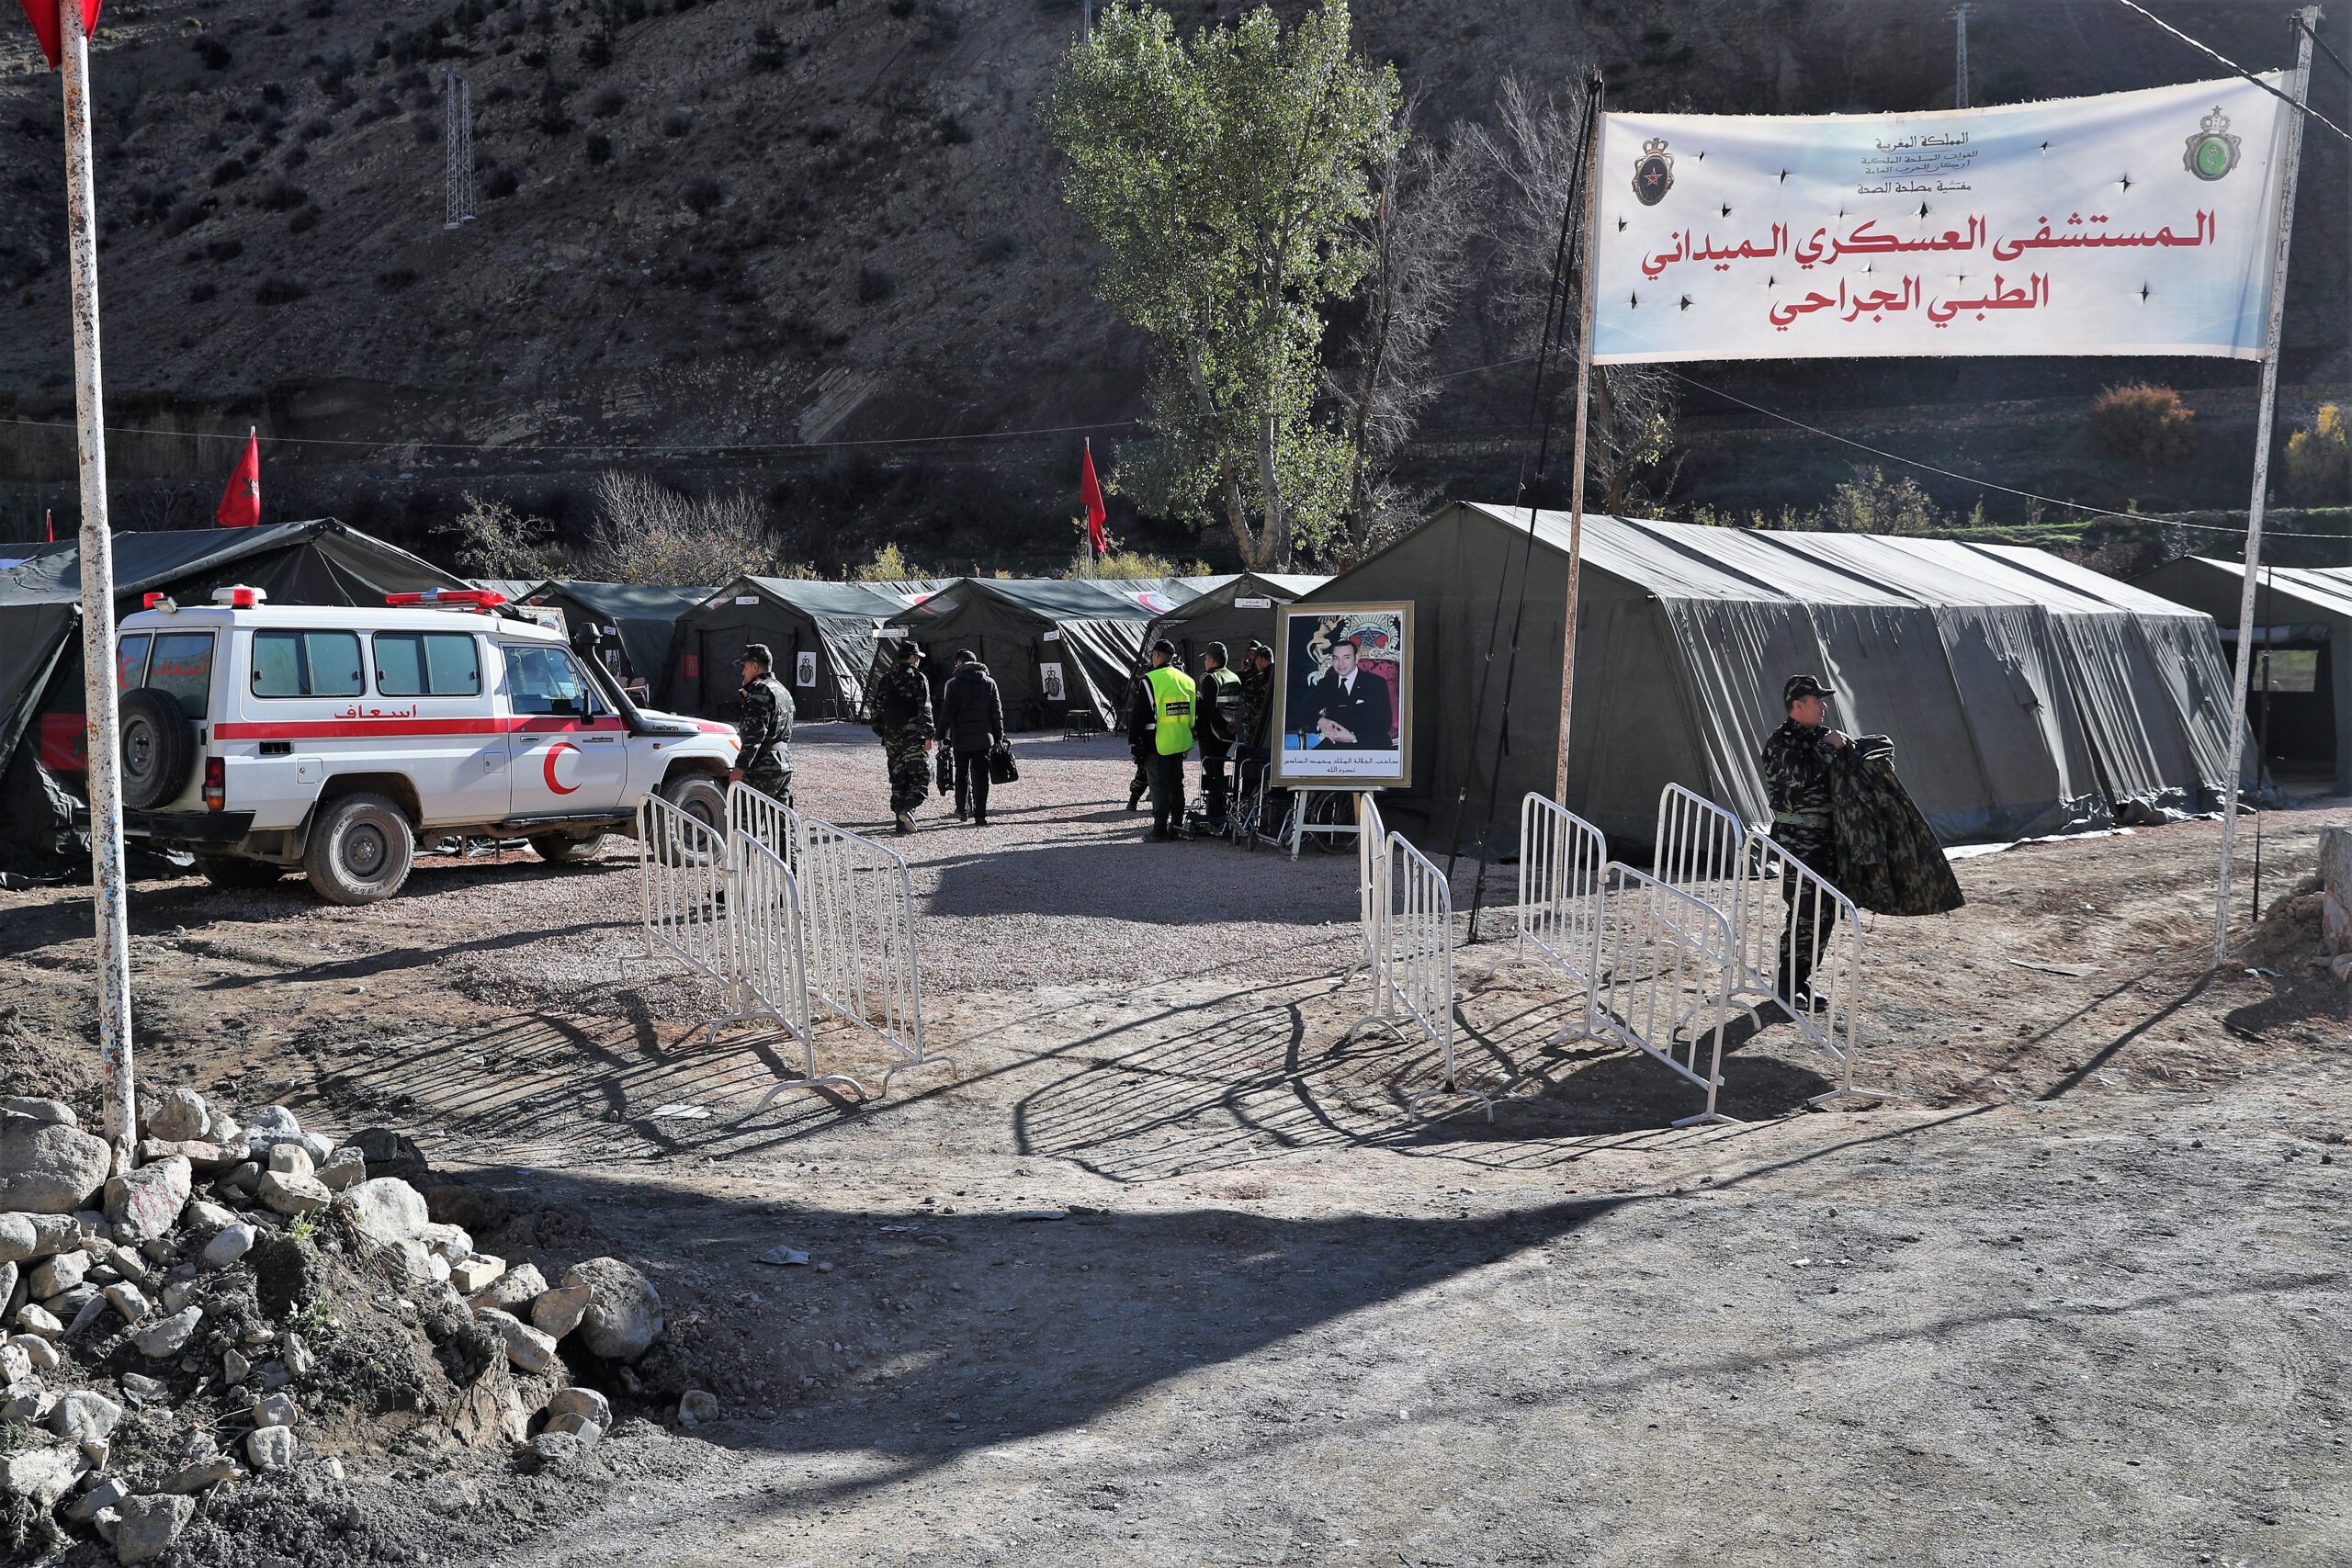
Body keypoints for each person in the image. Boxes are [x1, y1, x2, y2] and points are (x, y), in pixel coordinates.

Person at [1758, 673, 1849, 1010]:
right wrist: (1829, 748)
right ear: (1798, 706)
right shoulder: (1781, 742)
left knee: (1827, 913)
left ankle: (1801, 980)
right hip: (1797, 842)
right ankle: (1785, 985)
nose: (1823, 706)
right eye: (1816, 701)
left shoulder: (1822, 738)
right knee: (1804, 912)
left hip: (1827, 841)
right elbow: (1800, 776)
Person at [1128, 639, 1196, 841]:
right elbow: (1192, 717)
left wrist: (1134, 741)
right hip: (1180, 741)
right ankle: (1176, 827)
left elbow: (1138, 715)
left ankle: (1159, 830)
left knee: (1158, 786)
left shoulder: (1150, 680)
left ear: (1156, 656)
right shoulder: (1187, 681)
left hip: (1156, 742)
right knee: (1177, 785)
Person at [870, 641, 934, 835]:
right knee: (922, 775)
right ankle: (908, 810)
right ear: (913, 658)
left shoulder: (886, 679)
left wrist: (882, 732)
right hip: (913, 736)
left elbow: (876, 709)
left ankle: (900, 822)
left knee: (898, 778)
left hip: (892, 736)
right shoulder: (918, 678)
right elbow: (925, 709)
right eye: (917, 658)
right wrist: (929, 735)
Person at [936, 649, 1006, 828]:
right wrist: (999, 737)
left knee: (962, 774)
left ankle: (963, 809)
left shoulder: (954, 684)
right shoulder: (989, 683)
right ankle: (981, 815)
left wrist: (940, 736)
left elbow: (947, 713)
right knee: (981, 777)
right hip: (984, 738)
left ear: (959, 663)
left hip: (961, 738)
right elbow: (996, 713)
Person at [728, 644, 795, 806]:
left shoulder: (760, 691)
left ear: (755, 666)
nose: (743, 672)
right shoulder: (782, 690)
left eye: (745, 667)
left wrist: (740, 767)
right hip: (784, 763)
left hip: (762, 767)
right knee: (780, 824)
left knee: (746, 823)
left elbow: (755, 733)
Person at [1193, 641, 1242, 829]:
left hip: (1211, 733)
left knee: (1212, 773)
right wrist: (1228, 726)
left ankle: (1215, 814)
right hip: (1227, 735)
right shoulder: (1233, 677)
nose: (1205, 662)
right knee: (1219, 769)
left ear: (1212, 660)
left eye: (1205, 659)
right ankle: (1221, 811)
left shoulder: (1210, 679)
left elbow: (1208, 710)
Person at [1311, 637, 1392, 750]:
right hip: (1335, 743)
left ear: (1356, 658)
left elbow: (1384, 722)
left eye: (1346, 657)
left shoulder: (1375, 683)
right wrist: (1321, 721)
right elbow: (1305, 711)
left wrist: (1353, 737)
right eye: (1336, 658)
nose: (1340, 663)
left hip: (1371, 742)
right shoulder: (1326, 684)